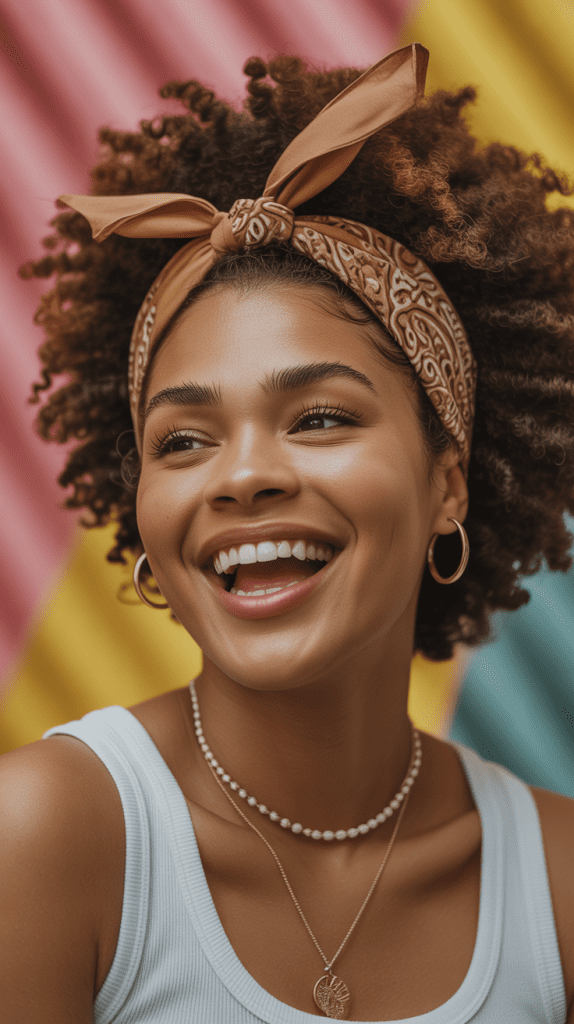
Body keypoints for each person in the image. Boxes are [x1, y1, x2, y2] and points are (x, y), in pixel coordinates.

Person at [2, 42, 574, 1023]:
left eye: (318, 417)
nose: (244, 476)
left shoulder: (558, 884)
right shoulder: (50, 833)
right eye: (183, 439)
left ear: (448, 484)